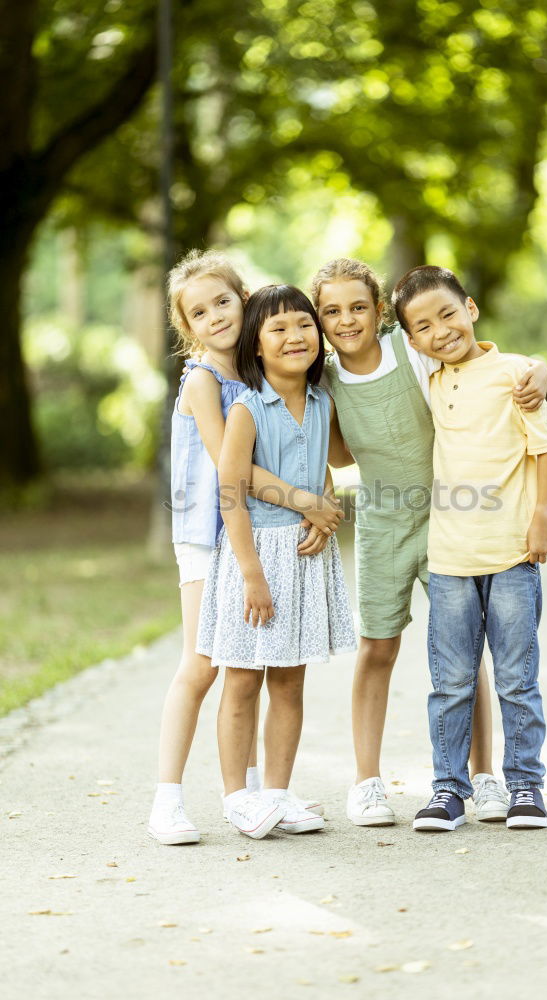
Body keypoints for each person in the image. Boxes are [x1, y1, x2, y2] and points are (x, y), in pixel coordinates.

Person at [312, 258, 547, 827]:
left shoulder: (411, 349)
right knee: (377, 647)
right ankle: (367, 782)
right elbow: (338, 453)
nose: (347, 320)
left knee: (466, 655)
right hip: (381, 524)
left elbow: (478, 359)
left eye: (359, 307)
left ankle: (485, 775)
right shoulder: (324, 378)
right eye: (332, 311)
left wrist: (539, 367)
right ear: (319, 320)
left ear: (381, 314)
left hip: (451, 519)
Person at [148, 252, 342, 846]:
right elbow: (235, 471)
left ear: (244, 300)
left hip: (256, 532)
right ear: (188, 328)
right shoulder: (205, 380)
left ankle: (260, 796)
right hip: (207, 536)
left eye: (223, 302)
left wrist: (316, 504)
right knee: (206, 665)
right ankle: (168, 800)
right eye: (198, 312)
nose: (214, 317)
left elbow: (306, 450)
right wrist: (310, 501)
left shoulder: (264, 378)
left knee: (265, 661)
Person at [393, 265, 547, 832]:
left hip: (514, 554)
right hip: (449, 561)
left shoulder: (516, 374)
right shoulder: (432, 380)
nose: (440, 330)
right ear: (413, 342)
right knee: (451, 683)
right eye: (423, 326)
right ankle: (447, 791)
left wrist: (542, 519)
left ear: (472, 308)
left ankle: (525, 787)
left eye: (447, 312)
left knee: (516, 678)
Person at [196, 284, 356, 840]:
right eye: (278, 328)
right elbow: (232, 490)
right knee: (242, 679)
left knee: (290, 682)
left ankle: (278, 793)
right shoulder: (247, 407)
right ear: (257, 346)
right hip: (256, 558)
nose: (295, 336)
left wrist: (320, 512)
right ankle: (236, 798)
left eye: (305, 325)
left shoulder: (322, 403)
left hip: (305, 557)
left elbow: (321, 470)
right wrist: (252, 574)